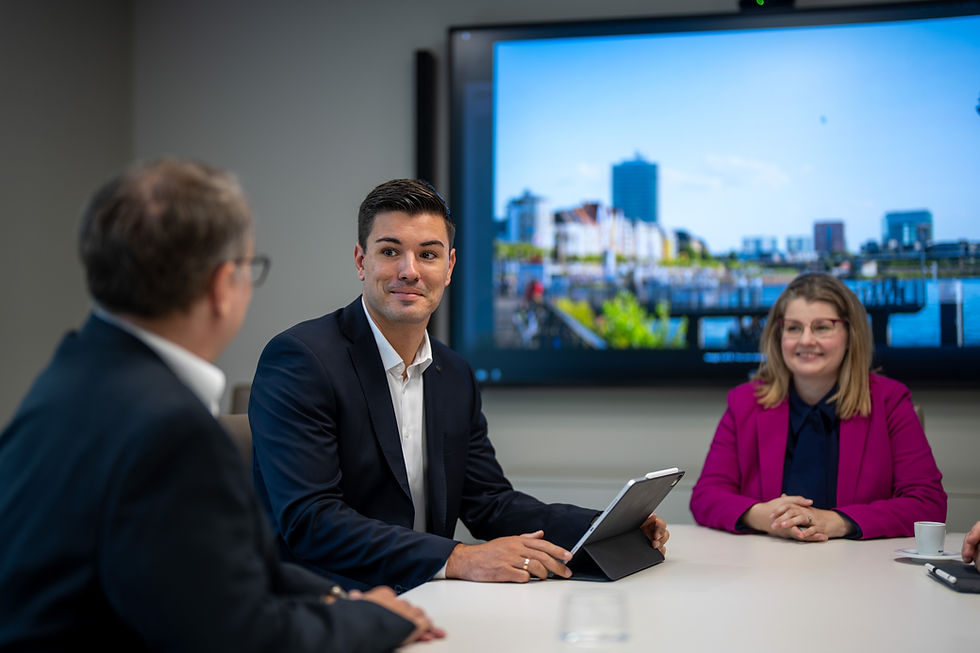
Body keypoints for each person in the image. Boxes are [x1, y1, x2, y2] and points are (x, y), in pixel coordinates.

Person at [0, 160, 442, 651]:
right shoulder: (170, 431)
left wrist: (341, 599)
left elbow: (221, 572)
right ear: (220, 285)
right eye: (249, 269)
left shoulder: (68, 378)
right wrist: (380, 623)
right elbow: (244, 637)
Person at [249, 178, 669, 592]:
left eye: (427, 254)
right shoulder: (301, 360)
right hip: (323, 606)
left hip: (430, 597)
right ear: (361, 261)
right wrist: (457, 557)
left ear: (448, 267)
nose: (409, 271)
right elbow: (311, 521)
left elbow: (489, 503)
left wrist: (605, 526)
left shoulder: (455, 374)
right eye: (390, 251)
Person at [690, 272, 946, 541]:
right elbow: (706, 497)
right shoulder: (744, 403)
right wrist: (764, 516)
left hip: (860, 570)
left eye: (822, 327)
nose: (806, 340)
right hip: (765, 568)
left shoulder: (889, 401)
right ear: (779, 336)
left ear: (850, 333)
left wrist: (837, 522)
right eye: (793, 328)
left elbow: (928, 504)